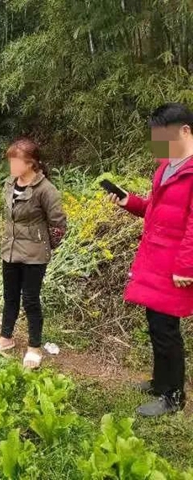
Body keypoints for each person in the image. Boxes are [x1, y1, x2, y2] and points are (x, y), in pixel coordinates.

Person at [108, 102, 193, 417]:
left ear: (185, 130)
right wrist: (129, 201)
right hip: (154, 258)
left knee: (167, 328)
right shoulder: (166, 167)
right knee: (156, 324)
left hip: (176, 264)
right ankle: (160, 382)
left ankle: (173, 397)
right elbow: (155, 210)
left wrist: (187, 266)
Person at [0, 138, 67, 369]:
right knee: (9, 296)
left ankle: (34, 347)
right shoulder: (10, 183)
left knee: (30, 299)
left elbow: (59, 225)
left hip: (34, 254)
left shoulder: (46, 190)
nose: (11, 165)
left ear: (31, 163)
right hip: (10, 250)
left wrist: (45, 245)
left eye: (15, 161)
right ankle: (6, 338)